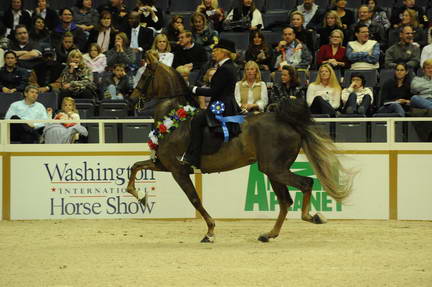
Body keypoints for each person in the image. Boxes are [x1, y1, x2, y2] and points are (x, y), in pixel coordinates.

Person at [178, 39, 239, 168]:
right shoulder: (228, 66)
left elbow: (214, 91)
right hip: (224, 102)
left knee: (196, 121)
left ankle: (192, 157)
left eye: (216, 50)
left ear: (224, 53)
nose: (213, 53)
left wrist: (193, 89)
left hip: (222, 106)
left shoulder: (225, 69)